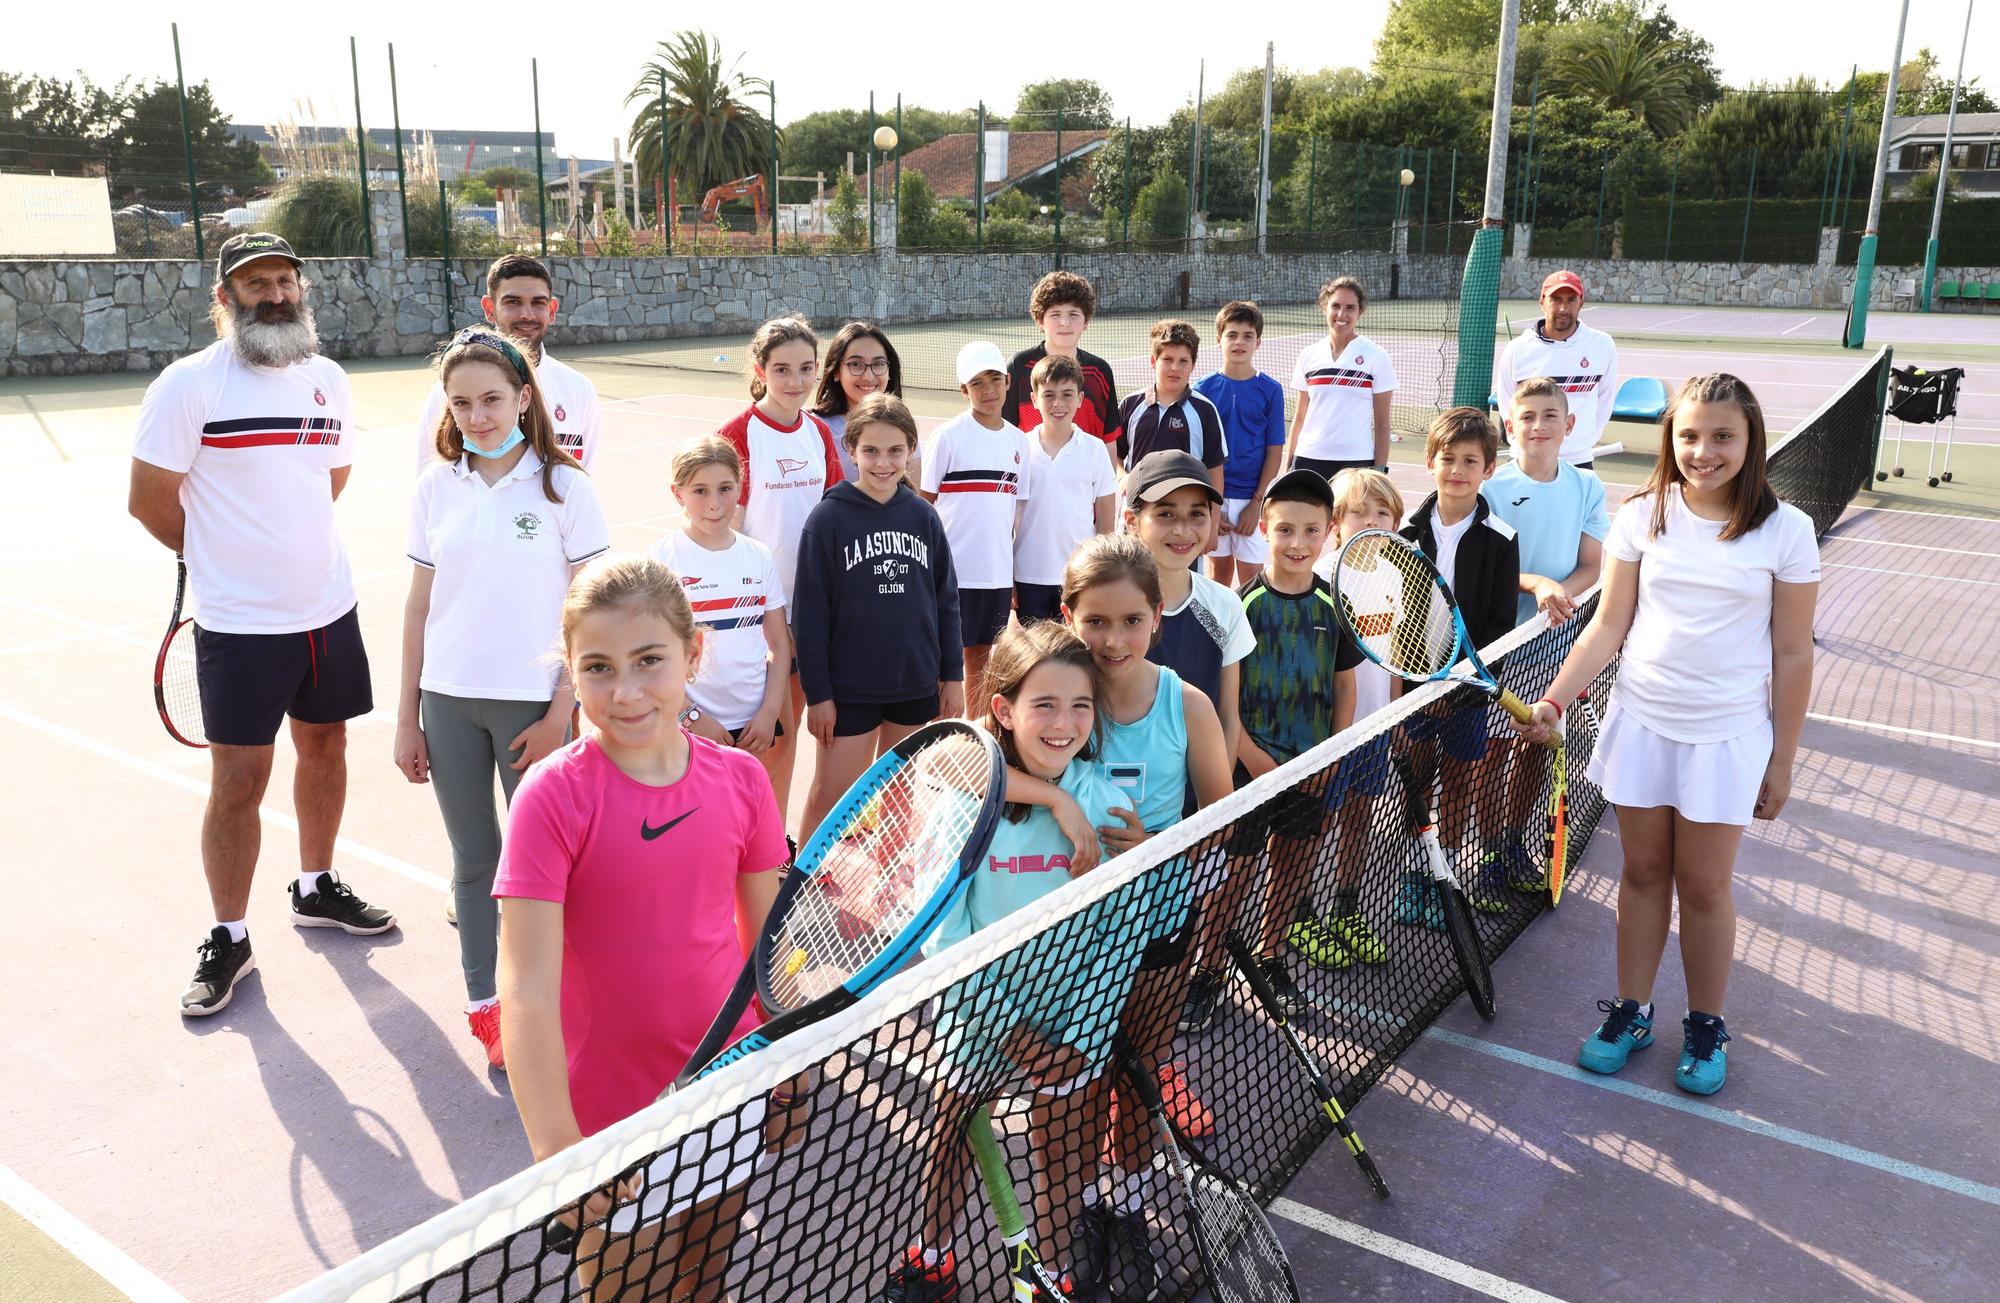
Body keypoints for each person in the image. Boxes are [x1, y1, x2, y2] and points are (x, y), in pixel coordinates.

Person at [497, 554, 792, 1301]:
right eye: (597, 667)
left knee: (707, 1280)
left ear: (693, 654)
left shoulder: (742, 780)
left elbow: (765, 947)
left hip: (728, 1089)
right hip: (610, 1127)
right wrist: (559, 1149)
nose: (625, 692)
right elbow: (525, 988)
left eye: (649, 660)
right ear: (569, 670)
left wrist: (786, 1059)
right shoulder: (551, 796)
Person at [1513, 374, 1817, 1096]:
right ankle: (1632, 1009)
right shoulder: (1643, 513)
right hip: (1643, 722)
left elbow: (1793, 652)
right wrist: (1556, 698)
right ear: (1669, 438)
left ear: (1750, 440)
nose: (1703, 451)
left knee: (1706, 886)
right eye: (1689, 435)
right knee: (1644, 874)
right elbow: (1608, 624)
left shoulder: (1786, 530)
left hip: (1727, 738)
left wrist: (1783, 760)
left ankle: (1706, 1022)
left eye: (1721, 436)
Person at [130, 232, 395, 1018]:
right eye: (255, 284)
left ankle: (316, 886)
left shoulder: (328, 379)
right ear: (225, 300)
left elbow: (330, 478)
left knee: (327, 745)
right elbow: (150, 502)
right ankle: (229, 935)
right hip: (240, 627)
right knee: (239, 781)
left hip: (328, 610)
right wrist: (222, 558)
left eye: (285, 279)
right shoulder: (189, 386)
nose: (274, 294)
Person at [874, 621, 1136, 1303]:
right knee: (954, 1127)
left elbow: (1119, 933)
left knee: (1064, 1149)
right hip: (976, 1015)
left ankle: (1051, 1269)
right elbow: (945, 939)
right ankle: (932, 1254)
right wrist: (1009, 1034)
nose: (1064, 722)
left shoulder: (1104, 802)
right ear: (1003, 709)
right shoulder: (961, 806)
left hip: (1068, 1025)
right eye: (1043, 704)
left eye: (1080, 705)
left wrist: (1075, 1041)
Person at [394, 328, 607, 1067]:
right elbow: (419, 609)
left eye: (491, 398)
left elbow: (589, 614)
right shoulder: (434, 486)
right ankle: (488, 1008)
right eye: (461, 403)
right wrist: (406, 720)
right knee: (475, 859)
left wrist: (559, 709)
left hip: (533, 711)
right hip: (447, 706)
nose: (478, 415)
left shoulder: (565, 487)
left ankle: (559, 998)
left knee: (552, 864)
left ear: (523, 396)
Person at [1060, 533, 1233, 1298]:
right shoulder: (1055, 698)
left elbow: (1224, 816)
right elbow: (999, 777)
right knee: (1074, 1083)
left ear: (1157, 619)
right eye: (1095, 620)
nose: (1113, 638)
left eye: (1131, 620)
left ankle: (1123, 1207)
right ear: (1068, 617)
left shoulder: (1186, 703)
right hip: (1069, 931)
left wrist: (1159, 842)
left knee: (1136, 1080)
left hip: (1162, 925)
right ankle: (1078, 1214)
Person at [1211, 470, 1363, 1016]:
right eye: (1284, 530)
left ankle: (1269, 956)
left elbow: (1345, 685)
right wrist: (1252, 759)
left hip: (1312, 770)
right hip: (1249, 772)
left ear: (1329, 534)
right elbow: (1224, 702)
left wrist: (1332, 752)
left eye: (1310, 531)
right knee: (1233, 877)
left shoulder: (1333, 605)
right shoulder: (1241, 605)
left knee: (1293, 871)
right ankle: (1208, 971)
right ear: (1265, 532)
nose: (1297, 544)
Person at [794, 394, 965, 841]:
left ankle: (892, 879)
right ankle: (804, 882)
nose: (883, 462)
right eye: (871, 450)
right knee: (834, 793)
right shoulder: (828, 520)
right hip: (850, 689)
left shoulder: (924, 517)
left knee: (899, 793)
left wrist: (952, 676)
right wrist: (818, 694)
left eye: (895, 451)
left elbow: (946, 601)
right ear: (850, 450)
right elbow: (810, 617)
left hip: (914, 681)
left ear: (911, 450)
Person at [1395, 408, 1521, 928]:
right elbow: (1394, 614)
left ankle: (1446, 879)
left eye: (1471, 461)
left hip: (1468, 690)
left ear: (1488, 469)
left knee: (1461, 785)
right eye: (1448, 459)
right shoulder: (1404, 532)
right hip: (1415, 686)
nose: (1458, 470)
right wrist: (1418, 679)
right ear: (1430, 463)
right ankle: (1414, 878)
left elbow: (1498, 622)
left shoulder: (1501, 538)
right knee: (1416, 782)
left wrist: (1461, 683)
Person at [1484, 377, 1610, 892]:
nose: (1539, 426)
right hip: (1497, 643)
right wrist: (1536, 584)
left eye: (1550, 416)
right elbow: (1486, 570)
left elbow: (1591, 566)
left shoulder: (1588, 488)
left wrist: (1558, 596)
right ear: (1510, 426)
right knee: (1492, 755)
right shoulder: (1491, 489)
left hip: (1554, 643)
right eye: (1527, 417)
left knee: (1536, 744)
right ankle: (1488, 851)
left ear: (1570, 426)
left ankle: (1513, 843)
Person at [718, 315, 845, 815]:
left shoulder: (817, 432)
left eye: (806, 369)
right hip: (756, 616)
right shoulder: (738, 433)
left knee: (787, 732)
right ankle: (746, 840)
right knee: (756, 737)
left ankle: (772, 844)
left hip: (810, 609)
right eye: (782, 370)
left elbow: (833, 514)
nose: (795, 382)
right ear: (760, 369)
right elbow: (726, 530)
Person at [1294, 466, 1408, 970]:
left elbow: (1398, 654)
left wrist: (1398, 712)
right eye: (1358, 510)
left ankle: (1345, 905)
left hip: (1376, 723)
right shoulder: (1320, 576)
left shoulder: (1398, 574)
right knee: (1312, 825)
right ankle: (1296, 912)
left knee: (1360, 816)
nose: (1370, 519)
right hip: (1328, 732)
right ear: (1336, 521)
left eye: (1381, 511)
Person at [648, 437, 792, 787]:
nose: (714, 504)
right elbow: (649, 657)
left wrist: (769, 712)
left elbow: (780, 644)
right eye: (700, 491)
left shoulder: (758, 556)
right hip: (690, 725)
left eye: (725, 489)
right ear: (677, 493)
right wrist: (690, 714)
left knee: (747, 814)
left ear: (741, 487)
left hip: (753, 726)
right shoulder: (661, 560)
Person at [921, 340, 1031, 717]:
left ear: (1008, 382)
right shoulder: (948, 437)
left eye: (995, 380)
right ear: (963, 390)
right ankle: (938, 744)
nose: (988, 390)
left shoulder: (1019, 442)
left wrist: (1011, 572)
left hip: (996, 576)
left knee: (982, 664)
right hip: (951, 575)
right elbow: (924, 506)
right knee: (945, 667)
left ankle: (975, 746)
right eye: (977, 383)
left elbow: (1013, 515)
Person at [413, 254, 601, 473]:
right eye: (513, 302)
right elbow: (431, 481)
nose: (527, 314)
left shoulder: (579, 389)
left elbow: (583, 476)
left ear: (551, 310)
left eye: (538, 303)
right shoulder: (449, 394)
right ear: (490, 309)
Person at [1013, 355, 1117, 625]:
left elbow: (1106, 514)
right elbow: (1007, 516)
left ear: (1080, 399)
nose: (1058, 404)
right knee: (1035, 656)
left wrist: (1101, 570)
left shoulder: (1094, 449)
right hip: (1028, 574)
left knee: (1078, 655)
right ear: (1034, 399)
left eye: (1067, 394)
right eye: (1049, 395)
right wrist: (1007, 573)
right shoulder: (1019, 448)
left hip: (1079, 574)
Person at [1199, 301, 1287, 589]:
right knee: (1218, 581)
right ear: (1219, 340)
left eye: (1248, 336)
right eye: (1232, 334)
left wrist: (1256, 503)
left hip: (1252, 500)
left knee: (1253, 583)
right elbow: (1198, 453)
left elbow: (1274, 451)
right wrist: (1213, 506)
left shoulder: (1271, 390)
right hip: (1214, 499)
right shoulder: (1202, 390)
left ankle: (1251, 635)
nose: (1239, 342)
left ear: (1258, 342)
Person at [1493, 269, 1620, 468]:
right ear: (1542, 302)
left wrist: (1583, 441)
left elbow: (1605, 399)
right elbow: (1507, 403)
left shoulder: (1602, 345)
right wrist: (1526, 443)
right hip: (1526, 458)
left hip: (1578, 459)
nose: (1563, 308)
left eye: (1571, 299)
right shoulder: (1516, 350)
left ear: (1581, 303)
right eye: (1556, 299)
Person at [1284, 276, 1398, 479]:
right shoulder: (1308, 355)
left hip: (1355, 463)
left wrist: (1380, 471)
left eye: (1350, 307)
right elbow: (1300, 417)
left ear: (1360, 312)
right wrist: (1288, 465)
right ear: (1324, 307)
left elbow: (1382, 423)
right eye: (1335, 306)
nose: (1341, 314)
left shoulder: (1376, 356)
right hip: (1307, 459)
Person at [1002, 269, 1122, 452]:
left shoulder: (1100, 371)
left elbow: (1108, 438)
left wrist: (1109, 481)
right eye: (1055, 314)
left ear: (1086, 321)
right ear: (1040, 320)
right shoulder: (1018, 366)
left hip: (1085, 479)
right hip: (1031, 477)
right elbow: (1005, 434)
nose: (1064, 322)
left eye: (1073, 314)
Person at [1113, 320, 1226, 504]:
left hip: (1184, 514)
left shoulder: (1205, 410)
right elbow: (1114, 454)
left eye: (1183, 361)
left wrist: (1212, 527)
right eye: (1167, 359)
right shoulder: (1130, 404)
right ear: (1153, 361)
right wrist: (1122, 476)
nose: (1175, 368)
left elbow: (1215, 472)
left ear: (1193, 365)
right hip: (1136, 509)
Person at [811, 320, 906, 481]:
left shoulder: (903, 425)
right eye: (856, 364)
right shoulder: (814, 429)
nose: (868, 376)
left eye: (878, 364)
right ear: (836, 372)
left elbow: (913, 496)